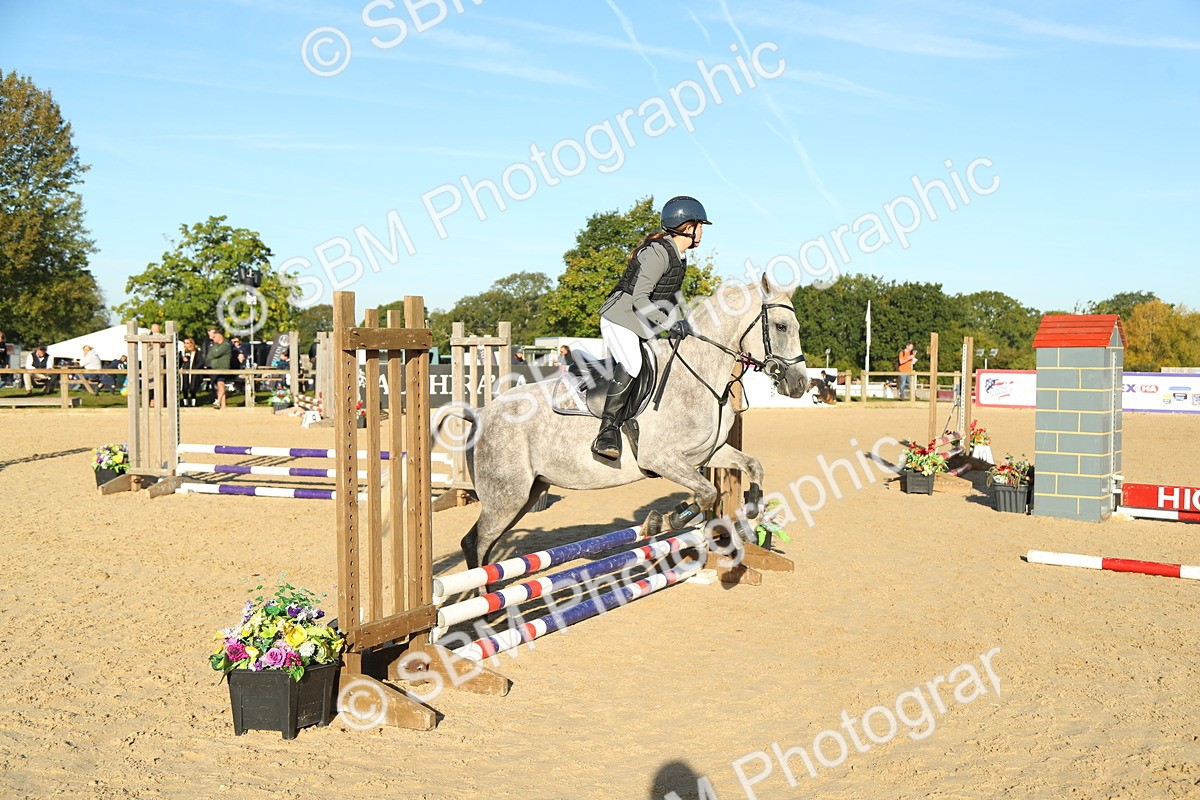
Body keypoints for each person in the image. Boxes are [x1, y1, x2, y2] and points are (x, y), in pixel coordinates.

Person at [591, 195, 711, 460]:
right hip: (619, 318)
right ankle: (607, 430)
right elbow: (639, 299)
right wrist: (669, 323)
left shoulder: (679, 257)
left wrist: (688, 322)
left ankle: (637, 423)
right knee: (633, 364)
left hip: (640, 324)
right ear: (687, 227)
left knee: (657, 366)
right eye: (700, 226)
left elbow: (672, 297)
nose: (702, 231)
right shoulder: (658, 252)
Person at [206, 328, 232, 409]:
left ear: (219, 336)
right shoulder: (215, 346)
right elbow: (209, 356)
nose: (213, 339)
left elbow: (215, 354)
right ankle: (223, 405)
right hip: (216, 369)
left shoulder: (225, 345)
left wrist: (214, 354)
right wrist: (213, 352)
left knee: (221, 384)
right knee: (219, 386)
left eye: (214, 337)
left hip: (223, 368)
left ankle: (218, 400)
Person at [180, 338, 204, 406]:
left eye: (187, 343)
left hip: (193, 371)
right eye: (185, 343)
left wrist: (195, 368)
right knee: (185, 387)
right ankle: (185, 403)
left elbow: (201, 361)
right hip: (184, 371)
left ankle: (193, 403)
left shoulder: (197, 352)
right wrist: (182, 358)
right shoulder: (182, 352)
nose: (186, 345)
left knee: (193, 387)